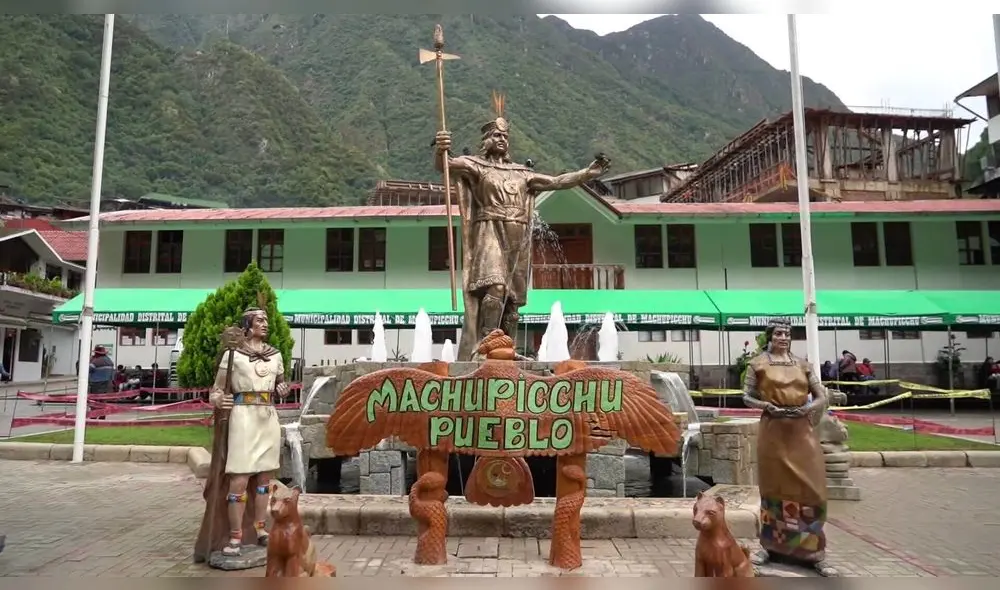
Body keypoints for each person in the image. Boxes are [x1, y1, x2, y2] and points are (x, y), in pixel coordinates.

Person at [434, 91, 611, 360]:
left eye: (505, 136)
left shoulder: (522, 173)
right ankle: (485, 347)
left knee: (513, 301)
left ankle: (506, 348)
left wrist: (587, 173)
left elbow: (556, 181)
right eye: (496, 135)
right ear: (485, 141)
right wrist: (440, 148)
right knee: (495, 287)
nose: (502, 139)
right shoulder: (476, 166)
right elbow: (446, 166)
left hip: (518, 235)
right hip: (489, 229)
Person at [194, 305, 290, 562]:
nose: (265, 324)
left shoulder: (276, 355)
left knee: (264, 480)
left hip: (267, 416)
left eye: (266, 320)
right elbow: (215, 390)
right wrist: (218, 401)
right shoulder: (233, 355)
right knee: (239, 479)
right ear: (247, 325)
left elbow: (282, 383)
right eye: (260, 320)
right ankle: (235, 534)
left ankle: (260, 528)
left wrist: (283, 388)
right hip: (243, 416)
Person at [742, 320, 836, 577]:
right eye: (778, 333)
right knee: (774, 490)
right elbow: (746, 396)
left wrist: (808, 408)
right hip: (773, 431)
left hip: (801, 431)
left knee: (812, 490)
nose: (783, 337)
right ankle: (770, 547)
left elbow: (821, 396)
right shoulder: (757, 364)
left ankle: (815, 551)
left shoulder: (803, 364)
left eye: (787, 333)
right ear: (769, 337)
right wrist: (766, 407)